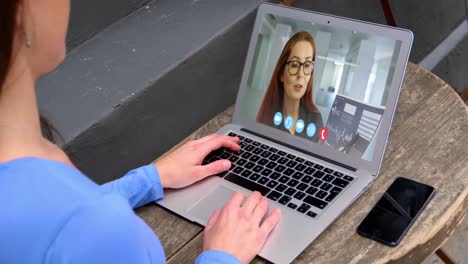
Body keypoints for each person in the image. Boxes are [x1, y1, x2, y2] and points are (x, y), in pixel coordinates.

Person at [0, 0, 281, 263]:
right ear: (23, 11)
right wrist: (222, 256)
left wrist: (148, 179)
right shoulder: (99, 232)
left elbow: (47, 219)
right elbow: (73, 228)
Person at [256, 31, 323, 142]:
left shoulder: (315, 120)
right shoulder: (266, 119)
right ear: (282, 74)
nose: (301, 74)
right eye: (294, 65)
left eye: (307, 65)